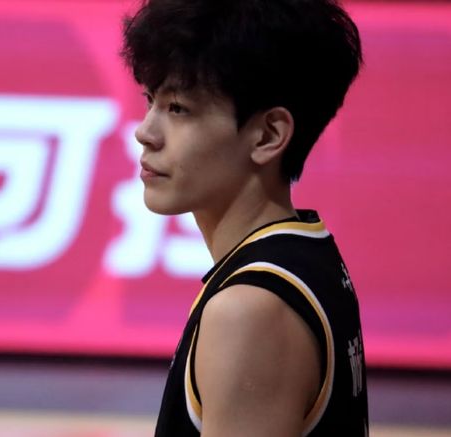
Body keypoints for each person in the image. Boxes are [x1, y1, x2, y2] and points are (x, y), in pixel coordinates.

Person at [120, 0, 368, 435]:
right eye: (150, 100)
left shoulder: (249, 310)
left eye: (178, 108)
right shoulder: (308, 253)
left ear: (268, 135)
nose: (145, 132)